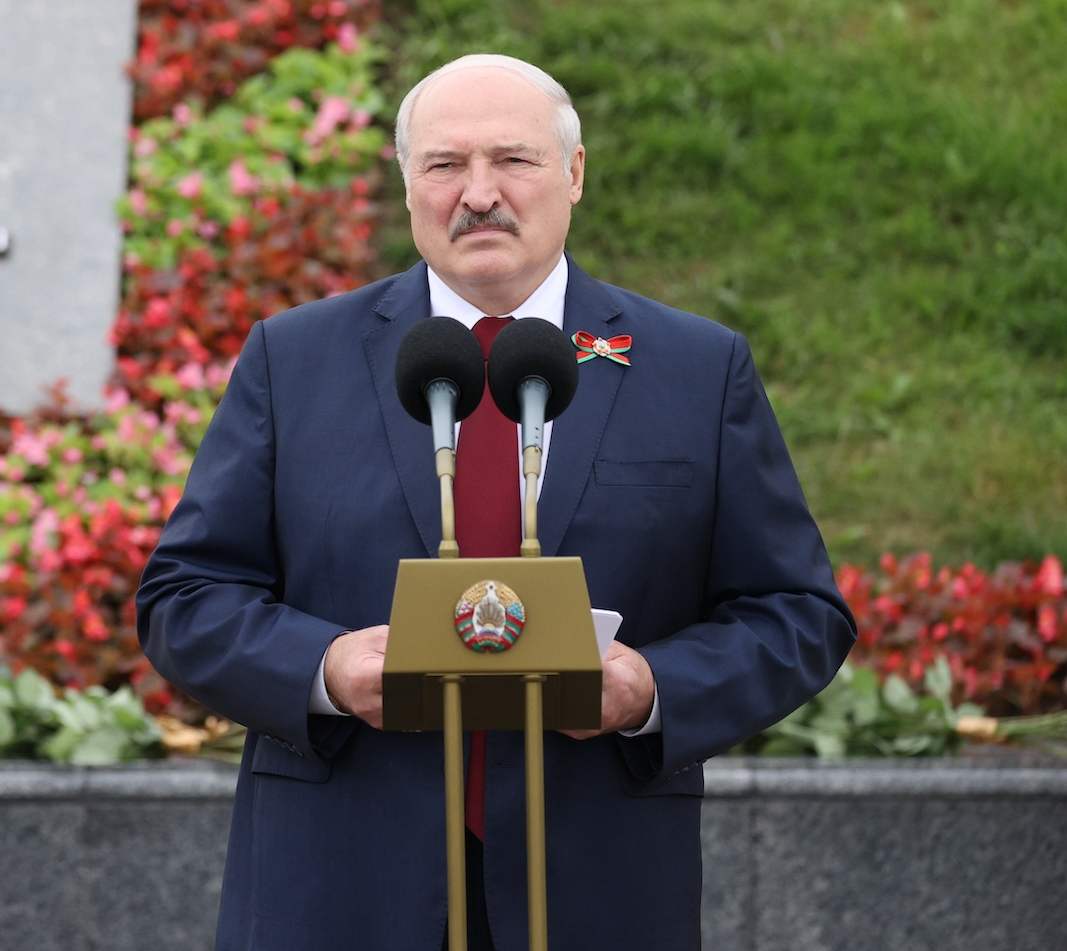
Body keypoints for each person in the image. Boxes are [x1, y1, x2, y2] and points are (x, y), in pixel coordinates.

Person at [134, 54, 854, 950]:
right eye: (444, 166)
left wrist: (654, 689)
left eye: (512, 160)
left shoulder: (694, 371)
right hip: (340, 887)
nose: (478, 194)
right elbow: (186, 596)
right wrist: (323, 669)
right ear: (407, 186)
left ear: (575, 174)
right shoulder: (297, 360)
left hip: (598, 883)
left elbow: (797, 614)